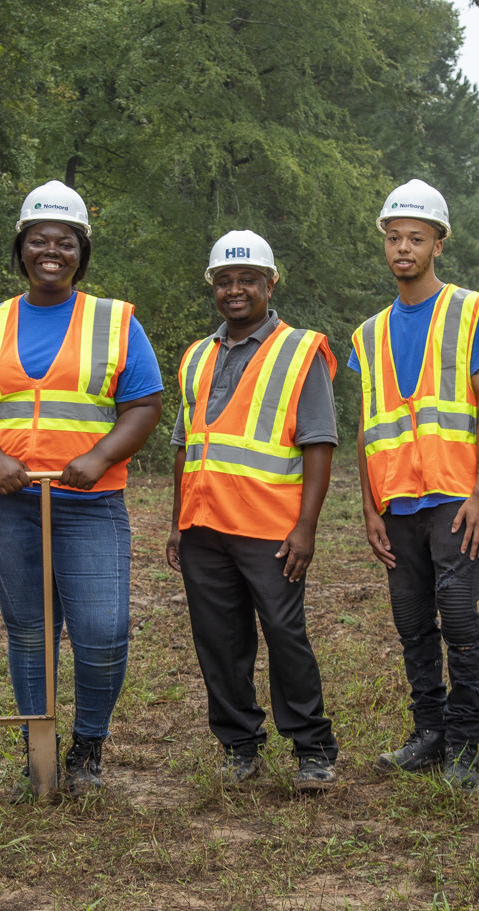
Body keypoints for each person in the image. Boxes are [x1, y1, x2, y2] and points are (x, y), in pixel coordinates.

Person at [0, 180, 163, 794]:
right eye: (38, 240)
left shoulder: (116, 321)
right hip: (3, 499)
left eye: (64, 242)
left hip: (89, 501)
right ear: (21, 248)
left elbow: (144, 403)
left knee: (102, 629)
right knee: (31, 630)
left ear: (80, 252)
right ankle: (39, 758)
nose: (51, 251)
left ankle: (88, 747)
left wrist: (98, 456)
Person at [166, 230, 340, 791]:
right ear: (213, 288)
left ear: (270, 283)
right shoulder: (197, 355)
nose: (234, 290)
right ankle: (240, 745)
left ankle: (313, 747)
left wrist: (306, 528)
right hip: (203, 526)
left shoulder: (299, 351)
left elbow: (319, 442)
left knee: (285, 635)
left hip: (270, 528)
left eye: (247, 280)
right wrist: (176, 522)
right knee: (218, 640)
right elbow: (184, 443)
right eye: (224, 281)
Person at [348, 179, 479, 792]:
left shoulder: (471, 310)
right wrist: (369, 511)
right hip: (395, 502)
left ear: (439, 243)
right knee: (411, 620)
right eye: (394, 238)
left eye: (416, 237)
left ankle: (465, 742)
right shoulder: (367, 334)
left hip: (453, 496)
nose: (403, 248)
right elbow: (367, 425)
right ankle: (429, 735)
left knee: (459, 615)